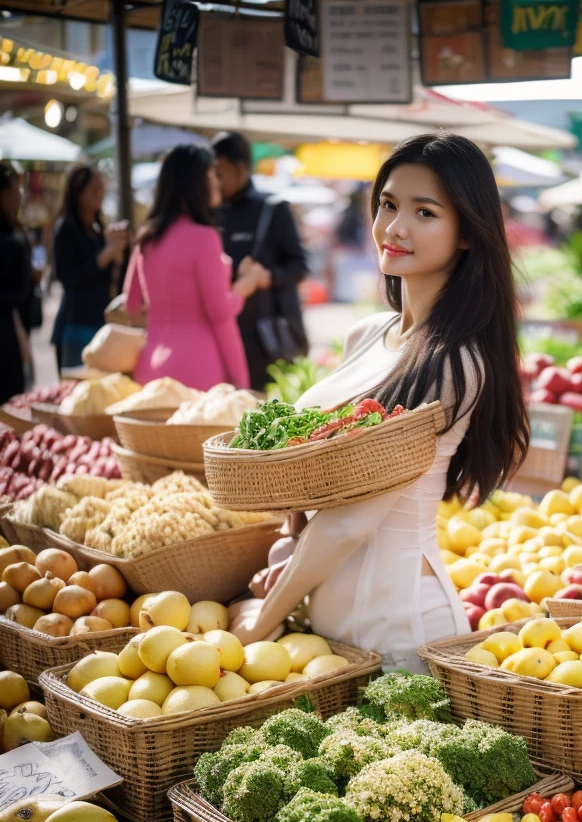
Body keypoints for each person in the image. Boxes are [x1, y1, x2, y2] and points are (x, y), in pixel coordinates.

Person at [228, 133, 530, 672]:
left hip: (399, 626)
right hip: (324, 621)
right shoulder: (369, 334)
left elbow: (349, 522)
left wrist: (261, 620)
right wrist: (286, 540)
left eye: (425, 212)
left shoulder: (454, 364)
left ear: (467, 234)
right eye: (388, 204)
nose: (395, 227)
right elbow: (319, 468)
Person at [124, 144, 266, 390]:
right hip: (198, 370)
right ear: (194, 183)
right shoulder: (204, 238)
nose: (216, 182)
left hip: (150, 369)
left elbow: (131, 303)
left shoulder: (147, 237)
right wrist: (243, 288)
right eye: (211, 174)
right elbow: (220, 315)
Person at [211, 132, 309, 391]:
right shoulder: (209, 212)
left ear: (241, 168)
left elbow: (299, 267)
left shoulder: (272, 209)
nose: (215, 181)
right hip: (217, 332)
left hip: (260, 340)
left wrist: (268, 278)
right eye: (212, 173)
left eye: (220, 172)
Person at [51, 164, 128, 372]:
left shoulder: (97, 227)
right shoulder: (66, 229)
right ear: (78, 191)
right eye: (94, 189)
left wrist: (118, 252)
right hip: (75, 325)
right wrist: (105, 255)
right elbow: (68, 279)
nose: (100, 194)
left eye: (102, 188)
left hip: (99, 323)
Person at [0, 160, 32, 404]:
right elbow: (22, 293)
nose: (19, 196)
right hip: (8, 335)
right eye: (15, 191)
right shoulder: (13, 241)